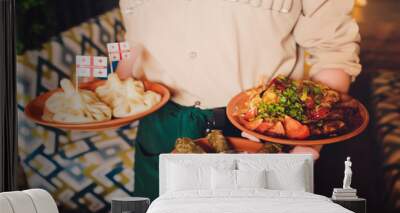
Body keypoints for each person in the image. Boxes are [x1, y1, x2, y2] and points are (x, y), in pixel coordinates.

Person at [117, 0, 361, 201]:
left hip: (264, 134)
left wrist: (309, 143)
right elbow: (133, 44)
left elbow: (334, 52)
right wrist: (110, 92)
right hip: (160, 127)